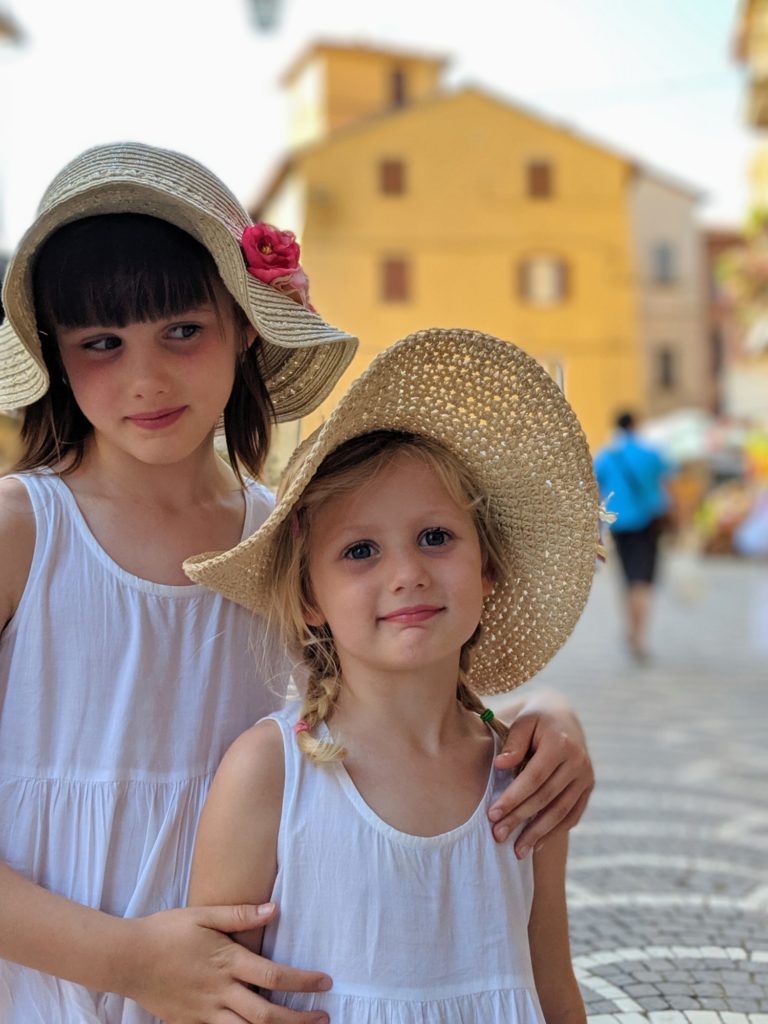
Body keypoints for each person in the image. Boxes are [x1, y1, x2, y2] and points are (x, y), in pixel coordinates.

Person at [0, 144, 594, 1024]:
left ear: (245, 325)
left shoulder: (290, 541)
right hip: (50, 985)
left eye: (182, 329)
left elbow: (394, 702)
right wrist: (130, 963)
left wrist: (551, 719)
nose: (146, 377)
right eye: (101, 343)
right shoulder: (21, 531)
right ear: (54, 352)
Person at [186, 328, 601, 1023]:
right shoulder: (270, 773)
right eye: (360, 550)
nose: (407, 573)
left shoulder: (524, 777)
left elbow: (553, 984)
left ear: (487, 567)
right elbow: (206, 999)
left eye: (435, 538)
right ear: (310, 596)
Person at [594, 410, 672, 662]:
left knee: (627, 578)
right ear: (636, 425)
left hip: (619, 524)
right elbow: (667, 486)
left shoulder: (606, 455)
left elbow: (596, 491)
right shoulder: (651, 453)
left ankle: (630, 629)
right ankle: (639, 636)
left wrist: (596, 527)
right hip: (648, 523)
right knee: (643, 580)